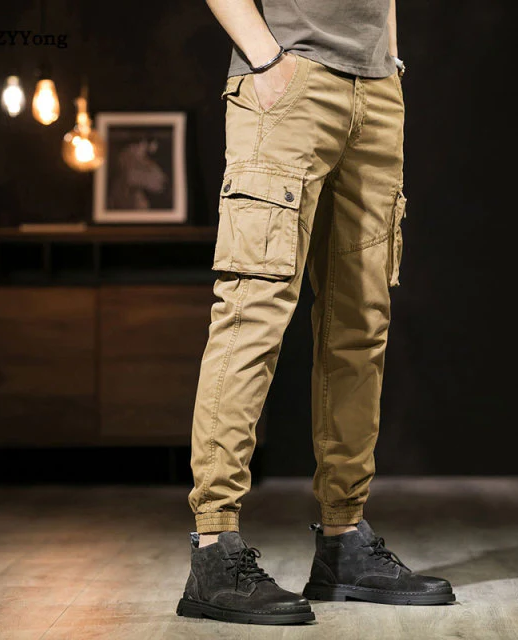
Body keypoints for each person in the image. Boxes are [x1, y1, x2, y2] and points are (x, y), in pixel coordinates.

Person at [176, 0, 455, 625]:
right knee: (252, 315)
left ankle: (343, 541)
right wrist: (266, 59)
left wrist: (389, 61)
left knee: (361, 324)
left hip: (375, 90)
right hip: (288, 78)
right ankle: (214, 546)